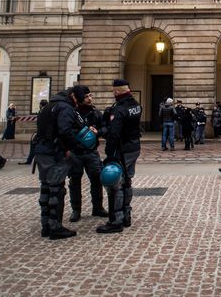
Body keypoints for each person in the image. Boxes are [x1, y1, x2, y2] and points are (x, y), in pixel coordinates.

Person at [34, 86, 89, 240]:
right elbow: (65, 131)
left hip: (41, 150)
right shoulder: (65, 108)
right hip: (54, 152)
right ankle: (55, 227)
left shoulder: (49, 106)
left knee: (45, 188)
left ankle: (45, 225)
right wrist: (75, 147)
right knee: (56, 190)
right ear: (72, 96)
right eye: (77, 100)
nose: (78, 104)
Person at [97, 79, 143, 233]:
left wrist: (110, 154)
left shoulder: (119, 109)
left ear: (117, 92)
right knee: (127, 181)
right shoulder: (136, 105)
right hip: (134, 146)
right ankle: (127, 215)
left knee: (116, 184)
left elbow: (114, 134)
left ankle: (116, 220)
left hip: (122, 149)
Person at [67, 86, 109, 222]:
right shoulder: (72, 112)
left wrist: (98, 131)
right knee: (74, 181)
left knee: (97, 180)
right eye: (86, 96)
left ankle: (97, 207)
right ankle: (76, 210)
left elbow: (105, 127)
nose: (90, 98)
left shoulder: (95, 112)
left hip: (91, 152)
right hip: (75, 152)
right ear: (80, 98)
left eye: (91, 96)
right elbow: (66, 130)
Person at [19, 99, 46, 165]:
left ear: (41, 105)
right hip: (41, 132)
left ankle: (30, 161)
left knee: (34, 145)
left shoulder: (44, 111)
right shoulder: (43, 111)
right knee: (34, 146)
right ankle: (30, 160)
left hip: (41, 133)